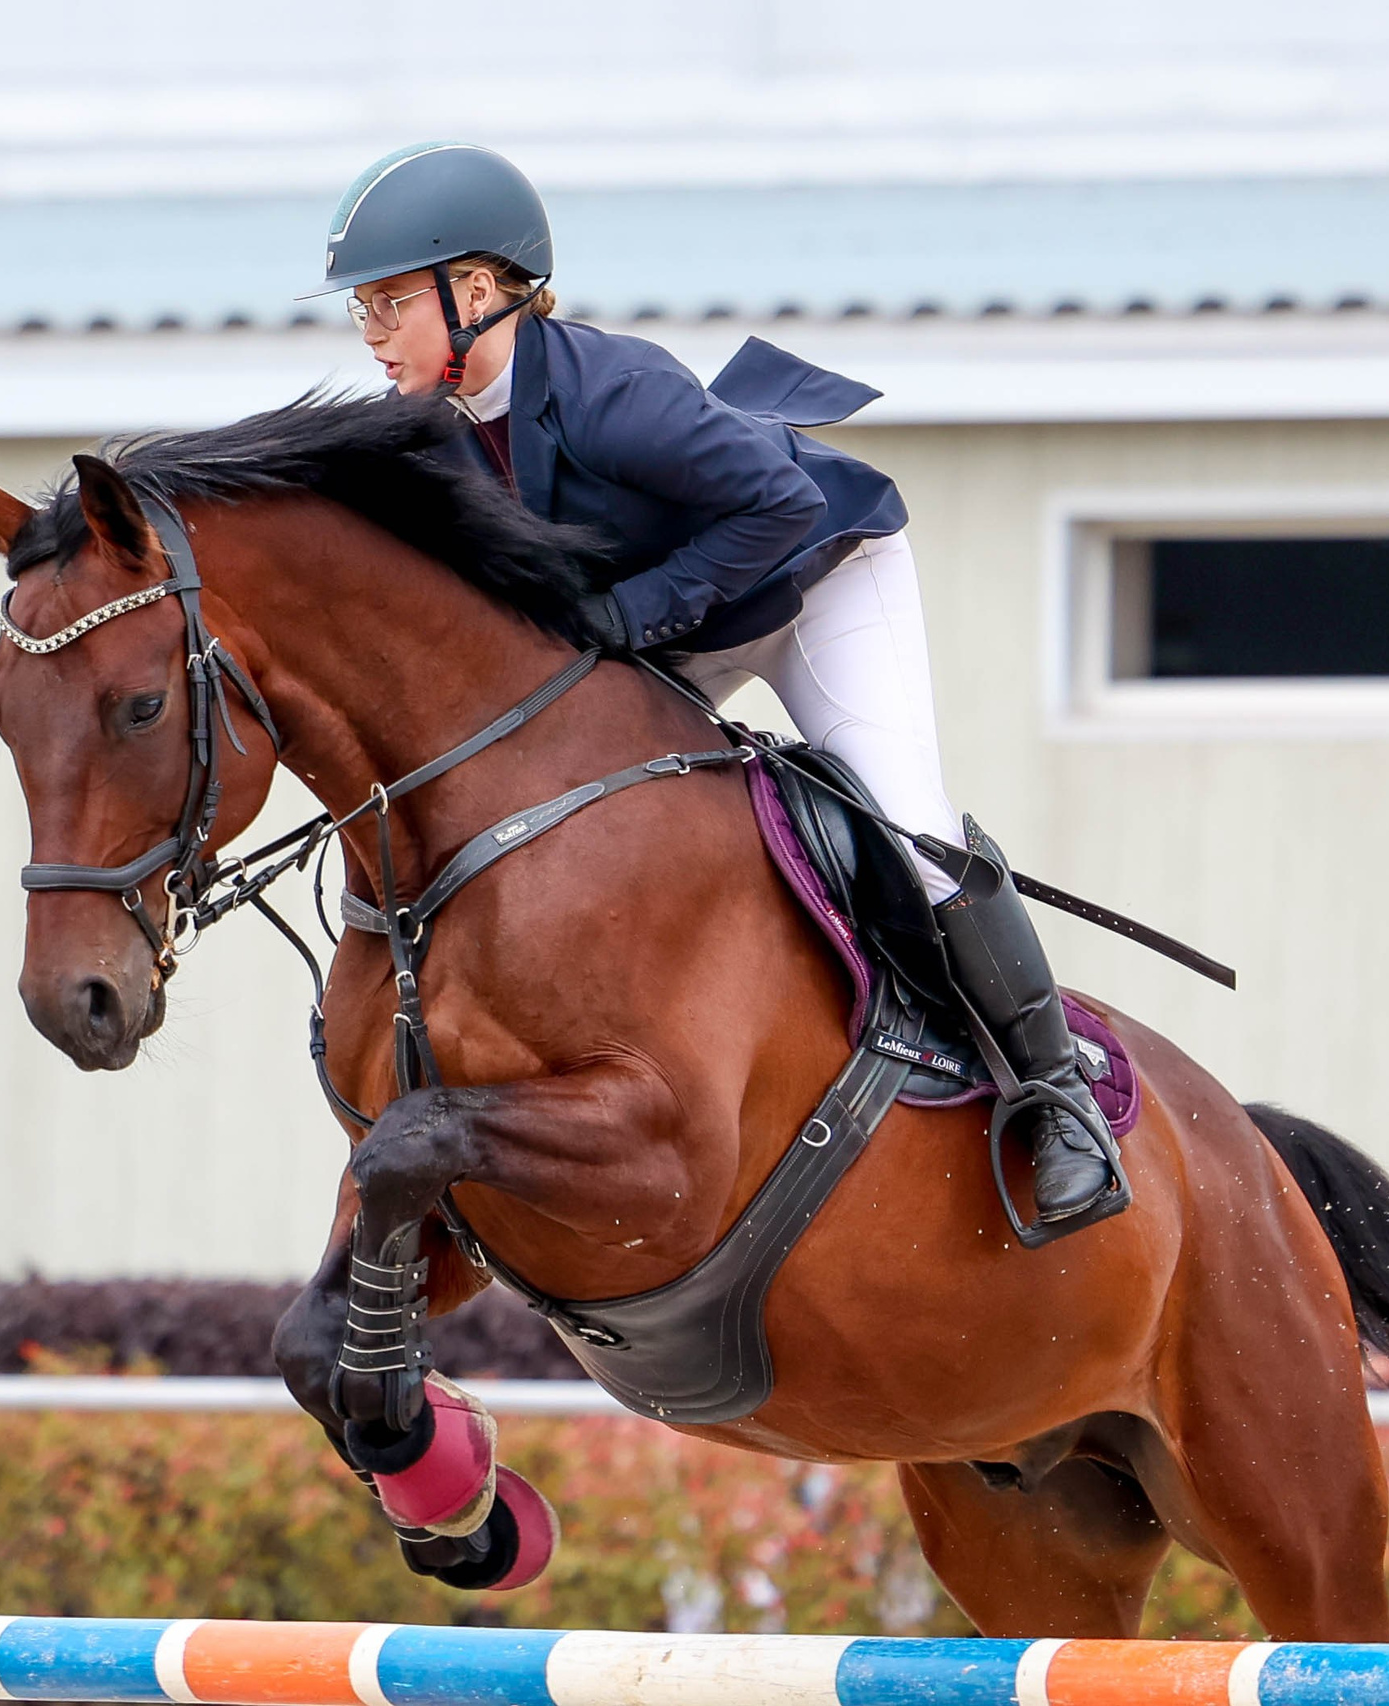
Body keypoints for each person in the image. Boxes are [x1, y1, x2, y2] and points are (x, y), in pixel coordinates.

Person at [306, 141, 1124, 1235]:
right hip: (684, 614)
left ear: (477, 289)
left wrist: (631, 621)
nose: (371, 333)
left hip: (817, 579)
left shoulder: (614, 392)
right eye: (361, 309)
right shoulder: (436, 440)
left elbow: (780, 506)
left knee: (910, 827)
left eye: (388, 302)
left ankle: (1056, 1096)